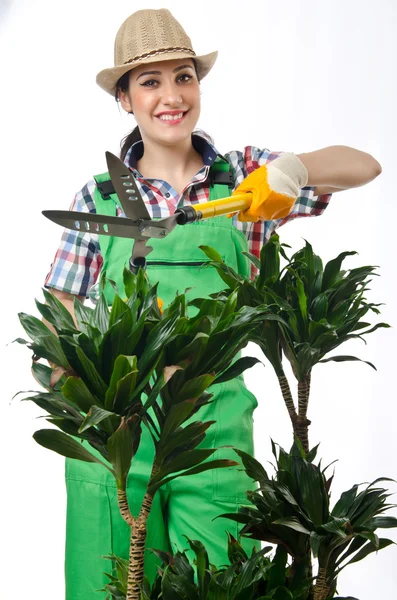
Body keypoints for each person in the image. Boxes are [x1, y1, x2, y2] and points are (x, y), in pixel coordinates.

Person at [44, 8, 382, 599]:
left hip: (213, 433)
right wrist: (75, 395)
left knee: (223, 585)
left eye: (184, 77)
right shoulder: (98, 198)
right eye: (149, 82)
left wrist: (293, 170)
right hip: (116, 444)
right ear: (124, 98)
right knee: (106, 587)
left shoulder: (244, 178)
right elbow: (61, 307)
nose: (171, 96)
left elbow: (364, 165)